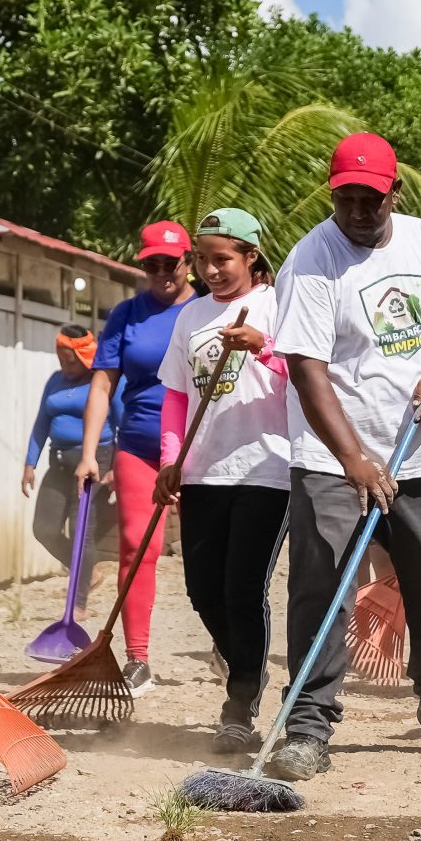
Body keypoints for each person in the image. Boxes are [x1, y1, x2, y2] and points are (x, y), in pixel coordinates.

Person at [265, 132, 421, 780]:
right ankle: (307, 726)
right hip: (332, 461)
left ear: (395, 193)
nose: (358, 211)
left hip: (413, 453)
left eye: (372, 199)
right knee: (322, 586)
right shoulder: (311, 260)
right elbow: (306, 369)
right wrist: (354, 457)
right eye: (347, 198)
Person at [150, 207, 290, 749]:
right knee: (202, 589)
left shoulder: (277, 306)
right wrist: (171, 459)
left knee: (241, 588)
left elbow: (306, 376)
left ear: (251, 256)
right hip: (203, 470)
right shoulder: (191, 317)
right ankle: (249, 665)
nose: (211, 271)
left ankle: (241, 700)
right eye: (202, 261)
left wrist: (265, 347)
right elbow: (176, 394)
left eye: (223, 259)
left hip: (266, 468)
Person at [77, 220, 196, 694]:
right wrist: (90, 453)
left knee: (211, 554)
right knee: (134, 548)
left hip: (201, 448)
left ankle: (230, 649)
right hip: (140, 446)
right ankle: (137, 657)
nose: (163, 272)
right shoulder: (127, 315)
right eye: (152, 264)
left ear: (190, 261)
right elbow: (103, 385)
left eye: (173, 262)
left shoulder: (210, 310)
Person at [23, 328, 117, 610]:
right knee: (44, 529)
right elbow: (42, 422)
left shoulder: (103, 381)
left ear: (85, 357)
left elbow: (125, 419)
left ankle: (78, 605)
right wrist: (30, 463)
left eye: (72, 361)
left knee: (80, 531)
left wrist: (119, 465)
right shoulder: (55, 381)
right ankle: (89, 573)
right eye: (62, 359)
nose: (66, 365)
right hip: (60, 461)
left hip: (95, 462)